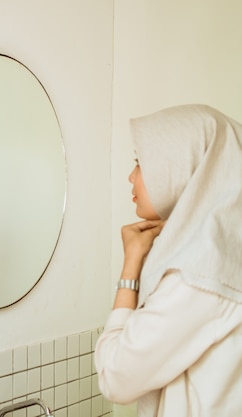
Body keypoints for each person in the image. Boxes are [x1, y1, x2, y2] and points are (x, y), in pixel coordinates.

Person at [94, 104, 242, 416]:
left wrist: (131, 263)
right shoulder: (227, 254)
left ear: (182, 166)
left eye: (139, 162)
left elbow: (115, 377)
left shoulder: (199, 276)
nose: (131, 176)